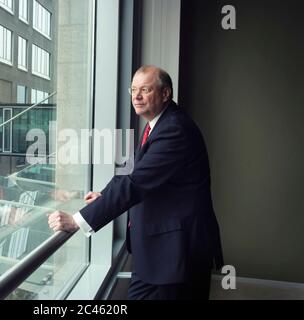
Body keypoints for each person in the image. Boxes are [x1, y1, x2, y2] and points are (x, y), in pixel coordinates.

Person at [48, 65, 224, 300]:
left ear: (165, 94)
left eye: (145, 89)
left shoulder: (174, 130)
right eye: (133, 90)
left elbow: (135, 183)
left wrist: (77, 220)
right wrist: (103, 194)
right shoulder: (158, 124)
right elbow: (129, 170)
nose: (136, 96)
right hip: (157, 252)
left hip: (174, 256)